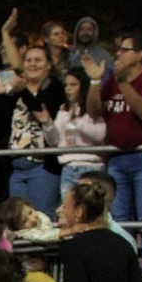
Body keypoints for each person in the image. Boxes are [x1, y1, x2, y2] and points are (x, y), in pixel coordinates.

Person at [83, 30, 142, 282]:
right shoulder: (113, 80)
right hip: (117, 157)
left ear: (139, 54)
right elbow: (94, 111)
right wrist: (95, 82)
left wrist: (124, 81)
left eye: (124, 50)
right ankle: (124, 267)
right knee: (119, 217)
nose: (118, 54)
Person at [24, 179, 142, 282]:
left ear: (79, 212)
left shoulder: (74, 247)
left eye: (66, 206)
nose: (60, 210)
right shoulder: (123, 243)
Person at [0, 12, 65, 217]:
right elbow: (1, 120)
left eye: (38, 60)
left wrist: (22, 90)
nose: (32, 64)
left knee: (42, 218)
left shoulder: (54, 87)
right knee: (18, 220)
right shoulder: (17, 90)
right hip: (17, 167)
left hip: (43, 168)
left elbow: (40, 110)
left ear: (48, 65)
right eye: (28, 60)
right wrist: (3, 93)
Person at [45, 66, 107, 199]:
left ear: (83, 86)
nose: (68, 89)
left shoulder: (93, 108)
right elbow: (54, 142)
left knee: (91, 209)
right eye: (66, 84)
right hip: (68, 168)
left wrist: (78, 122)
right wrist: (47, 124)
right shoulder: (63, 109)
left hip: (91, 167)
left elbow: (99, 135)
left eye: (73, 84)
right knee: (69, 211)